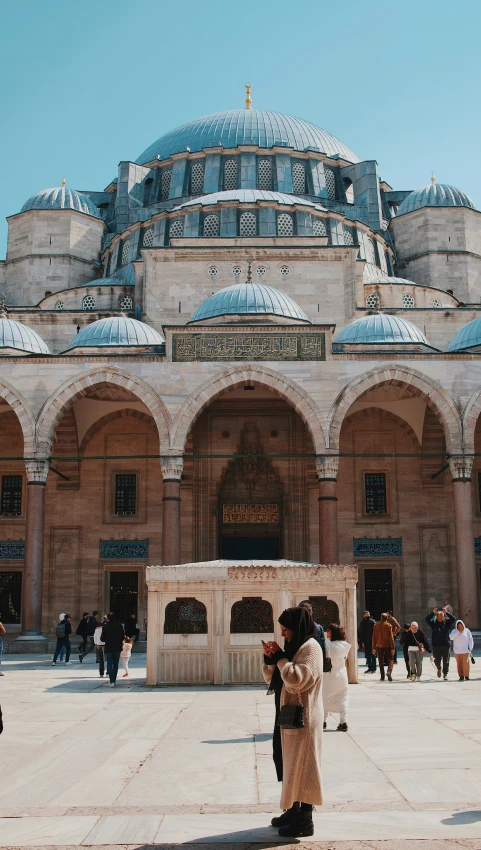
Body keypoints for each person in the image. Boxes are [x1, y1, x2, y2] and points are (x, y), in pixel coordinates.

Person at [263, 607, 323, 838]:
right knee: (288, 763)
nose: (284, 635)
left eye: (286, 630)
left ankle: (305, 820)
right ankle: (292, 809)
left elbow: (296, 680)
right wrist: (270, 660)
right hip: (288, 714)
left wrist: (281, 659)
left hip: (304, 718)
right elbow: (276, 678)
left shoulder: (311, 649)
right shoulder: (294, 647)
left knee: (305, 766)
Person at [322, 623, 350, 731]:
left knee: (325, 696)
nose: (327, 632)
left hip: (329, 674)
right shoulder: (345, 645)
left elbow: (326, 658)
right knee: (343, 697)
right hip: (342, 674)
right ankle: (343, 722)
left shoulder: (328, 645)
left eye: (328, 630)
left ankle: (323, 721)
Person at [425, 606, 456, 680]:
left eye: (441, 617)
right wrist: (433, 613)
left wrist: (446, 613)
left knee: (446, 661)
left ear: (443, 617)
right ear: (436, 617)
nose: (439, 618)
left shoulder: (447, 623)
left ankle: (445, 674)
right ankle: (439, 668)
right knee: (436, 660)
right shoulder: (434, 624)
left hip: (446, 644)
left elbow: (453, 619)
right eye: (438, 617)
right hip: (436, 645)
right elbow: (427, 619)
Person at [101, 612, 125, 686]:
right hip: (117, 647)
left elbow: (102, 638)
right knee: (115, 664)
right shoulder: (119, 625)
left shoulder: (105, 626)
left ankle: (111, 680)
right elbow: (122, 637)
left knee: (109, 663)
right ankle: (114, 680)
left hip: (109, 647)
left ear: (108, 618)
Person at [372, 613, 394, 681]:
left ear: (380, 618)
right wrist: (393, 648)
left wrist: (373, 647)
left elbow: (374, 637)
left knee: (380, 661)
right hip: (387, 645)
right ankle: (389, 671)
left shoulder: (376, 625)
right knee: (390, 659)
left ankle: (382, 676)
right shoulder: (389, 625)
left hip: (379, 645)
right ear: (387, 618)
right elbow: (391, 637)